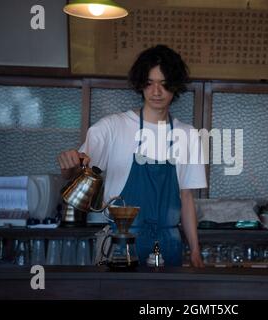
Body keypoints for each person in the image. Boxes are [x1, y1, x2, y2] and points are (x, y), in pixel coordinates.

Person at [57, 45, 206, 267]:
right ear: (140, 84)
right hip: (122, 240)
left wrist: (195, 250)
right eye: (149, 82)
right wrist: (69, 163)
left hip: (169, 243)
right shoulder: (112, 127)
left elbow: (186, 198)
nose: (156, 91)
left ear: (175, 87)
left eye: (164, 84)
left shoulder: (188, 135)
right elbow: (77, 171)